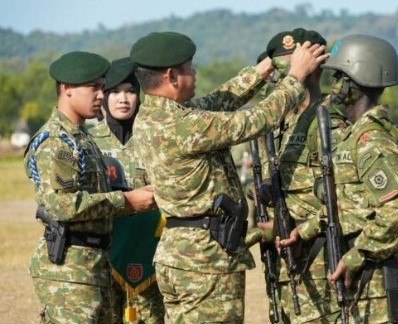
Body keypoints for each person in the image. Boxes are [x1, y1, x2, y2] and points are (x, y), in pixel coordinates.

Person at [129, 31, 329, 322]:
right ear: (172, 76)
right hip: (205, 259)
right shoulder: (182, 125)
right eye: (189, 68)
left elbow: (218, 100)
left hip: (181, 254)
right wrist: (295, 77)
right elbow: (256, 120)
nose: (195, 73)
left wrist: (262, 71)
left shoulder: (153, 116)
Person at [281, 34, 398, 323]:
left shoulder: (372, 141)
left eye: (338, 77)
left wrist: (357, 255)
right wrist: (307, 230)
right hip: (368, 279)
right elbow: (351, 205)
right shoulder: (353, 137)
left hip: (384, 280)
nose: (331, 87)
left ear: (353, 83)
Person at [23, 51, 156, 323]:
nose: (100, 95)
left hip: (93, 264)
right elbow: (63, 205)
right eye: (94, 87)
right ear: (67, 89)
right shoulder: (57, 141)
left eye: (100, 87)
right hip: (69, 270)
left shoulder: (81, 138)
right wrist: (127, 201)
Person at [256, 27, 340, 323]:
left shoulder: (332, 119)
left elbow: (347, 197)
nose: (283, 76)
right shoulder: (277, 125)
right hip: (284, 263)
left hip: (323, 257)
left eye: (292, 66)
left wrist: (304, 229)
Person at [89, 57, 165, 323]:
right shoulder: (89, 142)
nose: (124, 99)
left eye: (131, 91)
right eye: (117, 92)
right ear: (105, 97)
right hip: (104, 254)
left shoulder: (153, 138)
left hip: (149, 252)